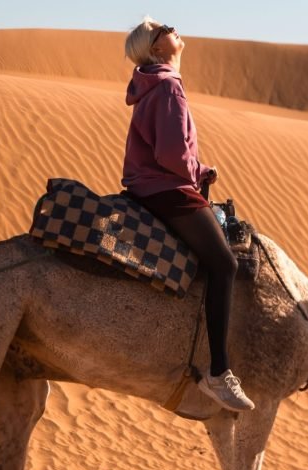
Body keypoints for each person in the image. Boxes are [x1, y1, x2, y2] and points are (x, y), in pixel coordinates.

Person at [121, 17, 254, 412]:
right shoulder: (167, 86)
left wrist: (196, 170)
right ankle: (218, 372)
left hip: (147, 186)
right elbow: (172, 154)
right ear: (156, 49)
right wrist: (199, 171)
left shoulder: (151, 84)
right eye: (162, 29)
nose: (172, 29)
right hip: (166, 189)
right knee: (225, 264)